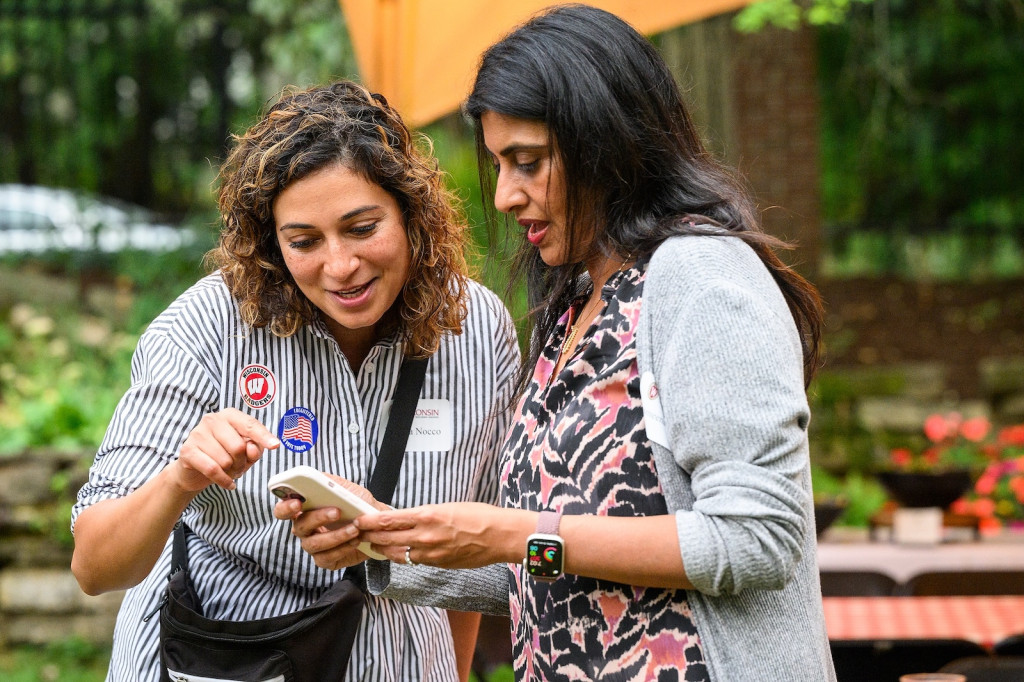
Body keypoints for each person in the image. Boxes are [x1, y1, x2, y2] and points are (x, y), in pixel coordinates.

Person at [279, 4, 837, 681]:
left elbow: (757, 539)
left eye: (528, 162)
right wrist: (384, 546)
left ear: (607, 141)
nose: (508, 195)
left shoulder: (699, 278)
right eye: (499, 165)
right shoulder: (571, 305)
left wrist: (513, 531)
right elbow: (554, 569)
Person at [69, 79, 519, 682]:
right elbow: (95, 566)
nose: (340, 267)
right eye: (303, 241)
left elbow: (480, 543)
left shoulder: (479, 329)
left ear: (413, 214)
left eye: (362, 228)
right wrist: (181, 478)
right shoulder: (206, 329)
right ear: (270, 244)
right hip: (218, 657)